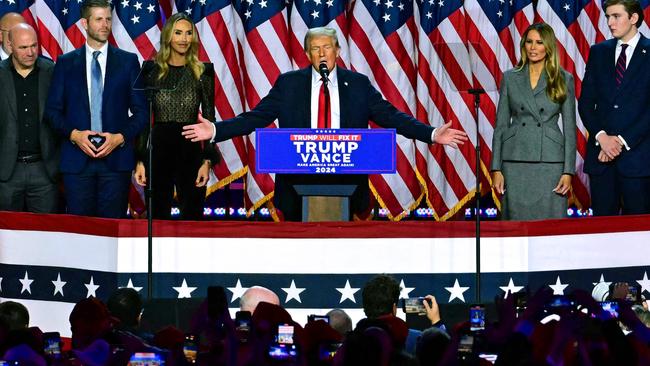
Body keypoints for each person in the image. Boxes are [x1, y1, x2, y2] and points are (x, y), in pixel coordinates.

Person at [181, 27, 467, 221]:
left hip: (346, 183)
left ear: (337, 51)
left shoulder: (357, 84)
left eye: (326, 47)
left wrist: (430, 133)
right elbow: (256, 117)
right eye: (315, 49)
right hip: (297, 184)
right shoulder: (289, 83)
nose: (321, 54)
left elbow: (391, 116)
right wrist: (216, 129)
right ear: (307, 54)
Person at [45, 0, 147, 218]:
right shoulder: (65, 63)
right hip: (76, 163)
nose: (105, 25)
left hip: (116, 163)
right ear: (84, 22)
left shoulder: (128, 62)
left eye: (108, 19)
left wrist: (119, 138)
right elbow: (52, 112)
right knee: (80, 234)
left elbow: (142, 113)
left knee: (112, 234)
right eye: (99, 19)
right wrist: (75, 135)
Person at [133, 13, 218, 220]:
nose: (184, 38)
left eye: (188, 33)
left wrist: (207, 160)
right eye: (178, 33)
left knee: (192, 216)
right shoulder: (151, 70)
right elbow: (144, 119)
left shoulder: (203, 71)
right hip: (158, 149)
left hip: (190, 148)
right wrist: (140, 160)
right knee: (157, 215)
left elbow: (209, 118)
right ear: (168, 36)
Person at [490, 22, 576, 220]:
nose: (533, 47)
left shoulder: (563, 78)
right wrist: (496, 168)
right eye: (529, 42)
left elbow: (570, 129)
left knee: (550, 225)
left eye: (539, 42)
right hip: (515, 160)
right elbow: (501, 125)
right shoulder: (510, 77)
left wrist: (568, 171)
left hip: (550, 161)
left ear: (548, 47)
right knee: (515, 225)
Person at [578, 0, 650, 216]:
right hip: (601, 160)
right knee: (601, 232)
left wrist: (620, 142)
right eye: (608, 16)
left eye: (616, 16)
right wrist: (602, 138)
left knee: (638, 233)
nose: (610, 22)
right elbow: (586, 103)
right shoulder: (599, 51)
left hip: (638, 159)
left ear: (633, 18)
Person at [0, 23, 59, 213]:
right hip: (7, 172)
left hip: (44, 170)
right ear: (10, 46)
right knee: (6, 237)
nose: (31, 52)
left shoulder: (52, 72)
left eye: (34, 45)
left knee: (46, 235)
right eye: (23, 47)